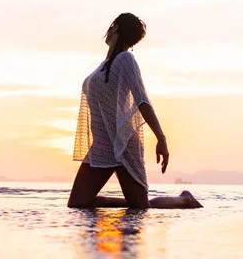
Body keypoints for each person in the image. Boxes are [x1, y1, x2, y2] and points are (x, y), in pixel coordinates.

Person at [67, 13, 203, 209]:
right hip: (101, 146)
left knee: (141, 208)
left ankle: (185, 200)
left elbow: (142, 100)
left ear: (114, 28)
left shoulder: (126, 59)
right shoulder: (103, 66)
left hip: (123, 143)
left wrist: (161, 138)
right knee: (78, 203)